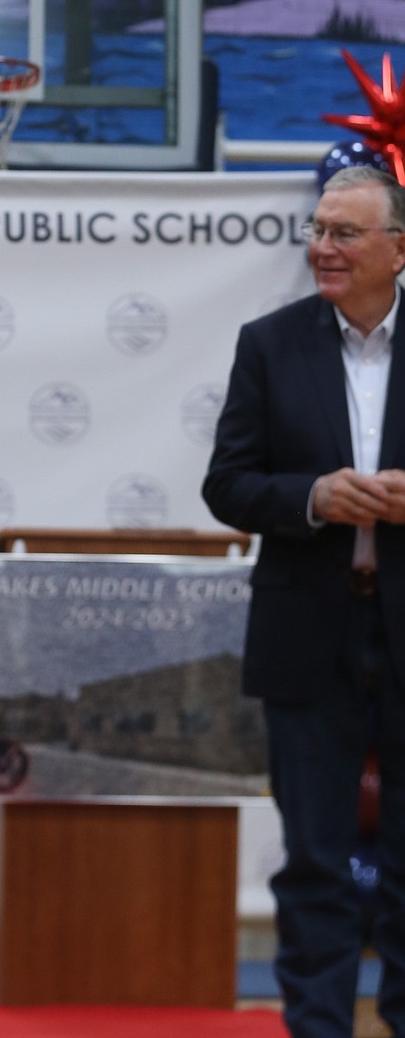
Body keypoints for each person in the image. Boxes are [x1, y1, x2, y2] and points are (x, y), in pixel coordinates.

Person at [203, 166, 405, 1038]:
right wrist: (314, 497)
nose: (323, 246)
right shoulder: (269, 341)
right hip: (306, 630)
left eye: (346, 233)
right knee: (314, 858)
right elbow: (228, 485)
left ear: (398, 249)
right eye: (319, 230)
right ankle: (318, 1026)